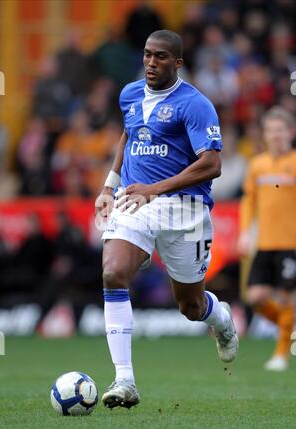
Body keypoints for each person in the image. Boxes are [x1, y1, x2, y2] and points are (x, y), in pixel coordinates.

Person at [95, 30, 239, 409]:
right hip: (136, 201)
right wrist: (110, 186)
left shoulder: (195, 104)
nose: (151, 64)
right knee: (112, 272)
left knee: (190, 307)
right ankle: (124, 380)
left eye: (160, 57)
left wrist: (155, 188)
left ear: (177, 63)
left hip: (185, 209)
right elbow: (128, 135)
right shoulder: (129, 93)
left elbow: (212, 164)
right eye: (146, 55)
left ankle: (220, 318)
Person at [239, 106, 296, 371]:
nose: (275, 135)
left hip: (291, 244)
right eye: (271, 130)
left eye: (280, 130)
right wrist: (244, 232)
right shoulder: (257, 165)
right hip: (264, 243)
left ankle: (281, 354)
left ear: (291, 132)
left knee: (286, 298)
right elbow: (248, 201)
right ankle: (291, 329)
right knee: (255, 297)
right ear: (264, 134)